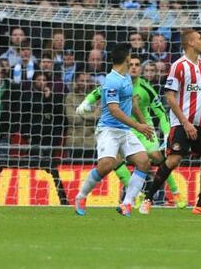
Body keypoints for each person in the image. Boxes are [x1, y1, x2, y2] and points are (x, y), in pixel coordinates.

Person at [76, 56, 185, 208]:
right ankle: (135, 197)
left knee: (154, 155)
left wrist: (167, 132)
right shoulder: (118, 81)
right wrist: (86, 102)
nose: (133, 67)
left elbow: (161, 112)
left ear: (140, 68)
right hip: (118, 127)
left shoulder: (146, 88)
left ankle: (176, 193)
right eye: (131, 64)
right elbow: (98, 92)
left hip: (142, 129)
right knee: (113, 161)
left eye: (137, 65)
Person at [139, 30, 201, 216]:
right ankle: (148, 199)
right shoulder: (178, 66)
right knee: (173, 160)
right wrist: (185, 123)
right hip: (181, 123)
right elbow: (169, 97)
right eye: (200, 39)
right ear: (191, 43)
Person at [73, 43, 153, 217]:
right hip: (108, 129)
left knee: (144, 162)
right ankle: (81, 196)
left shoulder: (125, 78)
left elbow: (132, 103)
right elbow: (114, 110)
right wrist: (138, 126)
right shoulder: (112, 80)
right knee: (106, 166)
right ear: (126, 58)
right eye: (130, 56)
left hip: (124, 130)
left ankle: (127, 204)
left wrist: (144, 124)